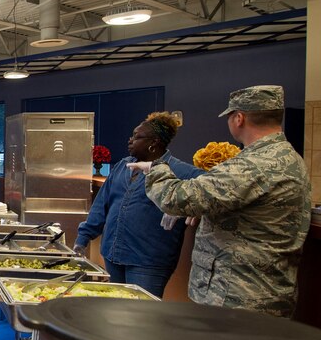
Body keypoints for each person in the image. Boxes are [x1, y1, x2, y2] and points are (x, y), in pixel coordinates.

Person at [133, 86, 310, 316]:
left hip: (238, 298)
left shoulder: (254, 164)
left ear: (239, 118)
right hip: (264, 292)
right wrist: (208, 209)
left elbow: (175, 198)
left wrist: (155, 169)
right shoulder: (289, 158)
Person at [74, 112, 201, 297]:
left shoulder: (180, 171)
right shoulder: (122, 166)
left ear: (154, 142)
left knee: (142, 317)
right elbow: (101, 206)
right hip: (112, 255)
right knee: (116, 312)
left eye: (137, 136)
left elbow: (212, 188)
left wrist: (190, 206)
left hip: (148, 262)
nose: (130, 140)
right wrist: (82, 238)